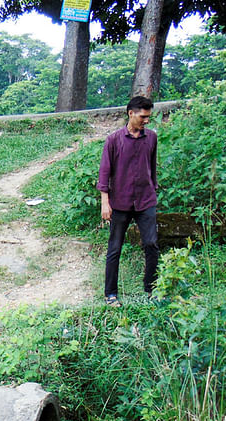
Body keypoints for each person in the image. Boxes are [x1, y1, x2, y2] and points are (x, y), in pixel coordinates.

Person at [97, 95, 159, 307]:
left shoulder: (151, 138)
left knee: (151, 244)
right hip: (120, 202)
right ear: (130, 113)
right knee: (115, 248)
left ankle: (152, 289)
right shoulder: (114, 140)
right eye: (143, 116)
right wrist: (105, 202)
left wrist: (154, 189)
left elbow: (153, 167)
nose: (146, 121)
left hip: (146, 200)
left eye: (149, 117)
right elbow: (104, 172)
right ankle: (110, 294)